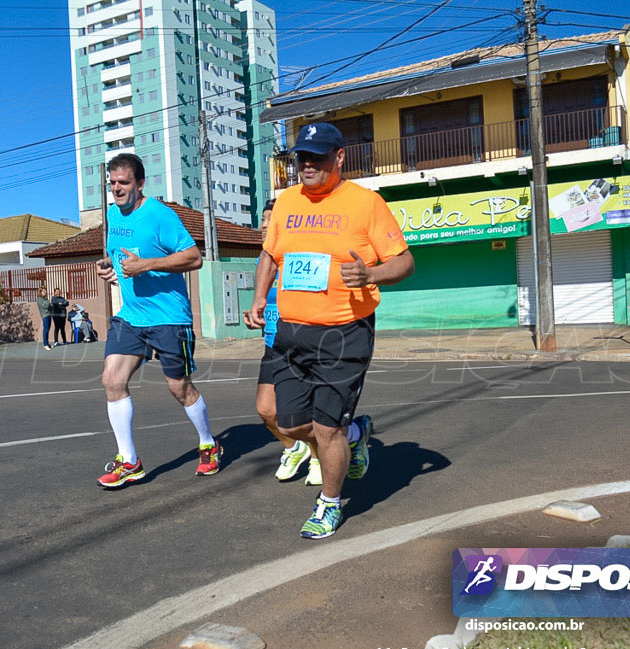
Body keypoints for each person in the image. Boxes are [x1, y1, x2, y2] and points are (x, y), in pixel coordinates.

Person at [248, 122, 415, 539]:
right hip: (290, 329)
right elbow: (270, 255)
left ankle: (329, 502)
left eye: (318, 157)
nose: (308, 165)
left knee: (326, 429)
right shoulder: (286, 201)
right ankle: (355, 434)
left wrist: (371, 272)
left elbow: (404, 262)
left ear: (339, 157)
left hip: (344, 330)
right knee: (287, 424)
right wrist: (257, 298)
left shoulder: (366, 203)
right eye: (302, 158)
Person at [95, 153, 222, 487]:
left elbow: (195, 258)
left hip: (169, 318)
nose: (117, 189)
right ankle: (130, 461)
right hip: (131, 316)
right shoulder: (112, 214)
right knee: (111, 379)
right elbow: (121, 258)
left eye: (123, 183)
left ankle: (208, 443)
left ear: (140, 183)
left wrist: (146, 265)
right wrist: (112, 270)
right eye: (112, 183)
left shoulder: (160, 215)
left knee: (179, 387)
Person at [243, 199, 322, 486]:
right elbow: (262, 300)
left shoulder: (300, 258)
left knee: (303, 414)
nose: (264, 225)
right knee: (266, 410)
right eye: (262, 219)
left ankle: (317, 457)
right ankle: (294, 448)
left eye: (270, 219)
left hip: (303, 345)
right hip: (273, 343)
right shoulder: (262, 261)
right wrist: (255, 313)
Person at [37, 286, 53, 350]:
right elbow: (46, 306)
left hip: (49, 315)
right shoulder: (39, 299)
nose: (45, 292)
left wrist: (49, 303)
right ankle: (45, 344)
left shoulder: (45, 299)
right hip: (45, 316)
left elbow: (50, 306)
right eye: (43, 291)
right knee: (46, 330)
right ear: (40, 292)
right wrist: (48, 303)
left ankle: (47, 343)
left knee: (48, 329)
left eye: (45, 291)